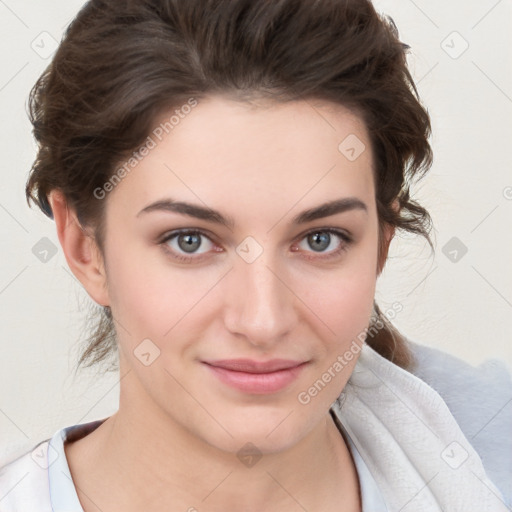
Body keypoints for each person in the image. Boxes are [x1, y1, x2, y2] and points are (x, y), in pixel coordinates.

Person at [0, 0, 510, 510]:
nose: (263, 321)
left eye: (320, 239)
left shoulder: (494, 454)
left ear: (382, 242)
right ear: (85, 248)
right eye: (190, 241)